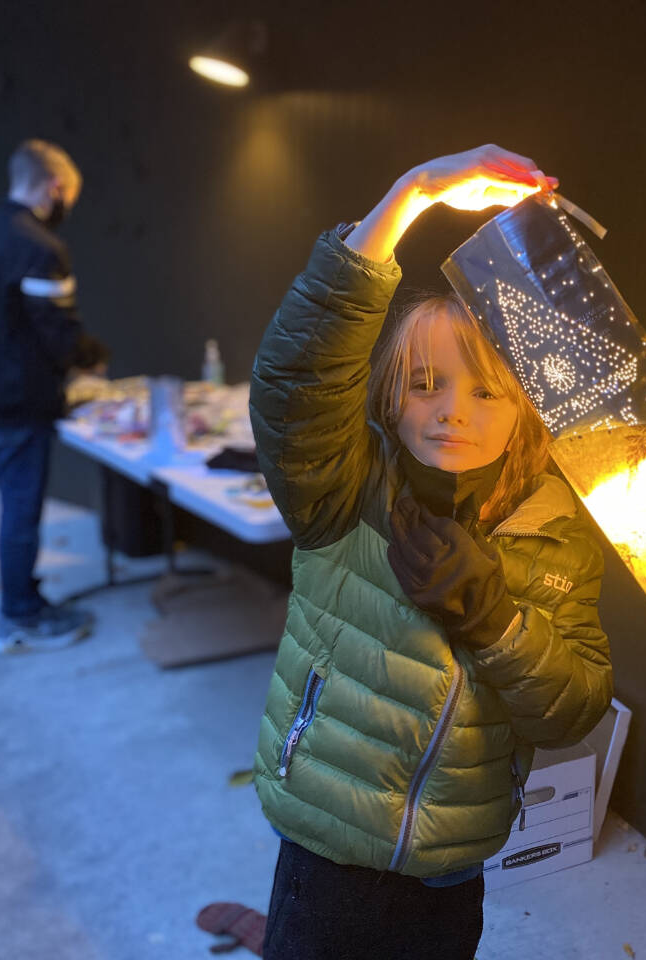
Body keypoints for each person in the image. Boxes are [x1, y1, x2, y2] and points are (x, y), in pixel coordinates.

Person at [249, 144, 614, 960]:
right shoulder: (342, 490)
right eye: (426, 384)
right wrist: (407, 196)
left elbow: (574, 706)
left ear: (528, 407)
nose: (453, 411)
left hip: (454, 869)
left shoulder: (555, 530)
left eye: (487, 389)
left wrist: (497, 621)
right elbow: (293, 382)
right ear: (390, 392)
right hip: (327, 857)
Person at [0, 139, 109, 653]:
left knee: (13, 499)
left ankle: (22, 595)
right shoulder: (39, 247)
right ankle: (18, 616)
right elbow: (60, 333)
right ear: (55, 188)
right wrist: (94, 359)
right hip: (19, 400)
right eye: (69, 199)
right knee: (21, 507)